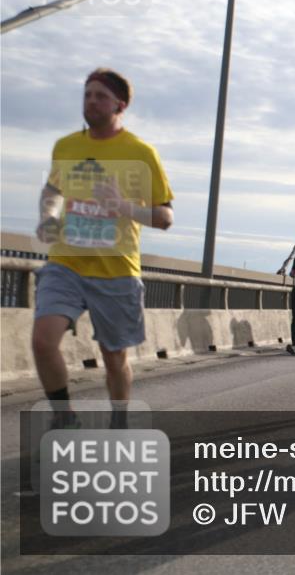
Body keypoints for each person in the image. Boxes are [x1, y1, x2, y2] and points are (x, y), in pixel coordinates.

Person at [33, 68, 174, 430]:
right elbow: (52, 192)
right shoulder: (66, 146)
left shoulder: (141, 153)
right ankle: (64, 418)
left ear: (120, 105)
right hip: (66, 262)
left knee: (114, 359)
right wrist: (49, 217)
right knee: (43, 340)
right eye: (87, 94)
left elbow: (165, 216)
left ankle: (119, 420)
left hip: (116, 270)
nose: (91, 101)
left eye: (100, 96)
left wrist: (125, 207)